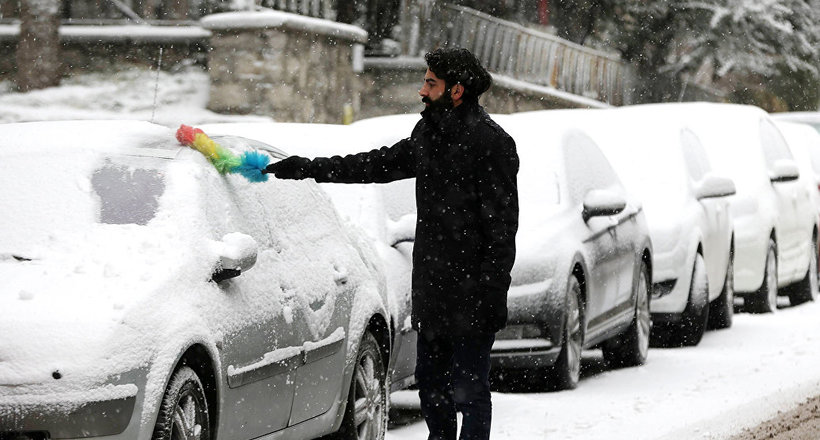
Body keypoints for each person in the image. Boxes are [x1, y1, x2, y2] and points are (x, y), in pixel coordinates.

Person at [264, 47, 519, 440]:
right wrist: (308, 168)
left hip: (473, 295)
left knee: (469, 392)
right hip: (433, 288)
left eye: (430, 83)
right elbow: (375, 164)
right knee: (433, 389)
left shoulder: (491, 144)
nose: (422, 90)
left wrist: (490, 295)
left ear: (456, 90)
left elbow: (502, 230)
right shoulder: (429, 134)